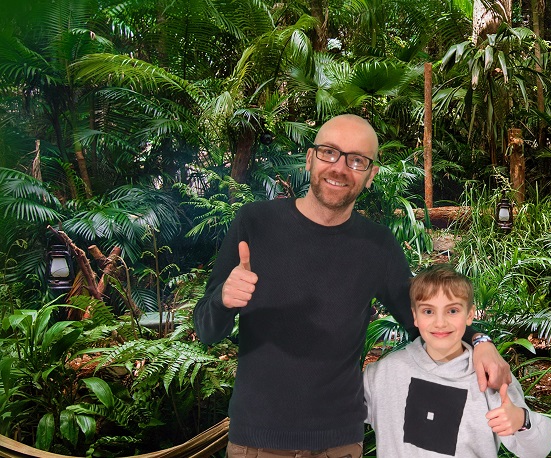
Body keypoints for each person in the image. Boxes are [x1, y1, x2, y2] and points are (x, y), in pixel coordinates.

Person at [193, 114, 511, 458]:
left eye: (357, 160)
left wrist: (479, 340)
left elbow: (421, 318)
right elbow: (206, 331)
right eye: (329, 152)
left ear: (370, 175)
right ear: (310, 158)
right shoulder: (255, 223)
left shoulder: (376, 245)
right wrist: (224, 300)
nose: (340, 168)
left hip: (339, 442)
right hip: (257, 439)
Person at [363, 264, 551, 457]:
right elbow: (337, 413)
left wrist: (522, 420)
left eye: (452, 311)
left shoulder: (490, 374)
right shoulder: (382, 373)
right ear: (415, 316)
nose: (440, 322)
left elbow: (537, 451)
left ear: (470, 315)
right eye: (428, 311)